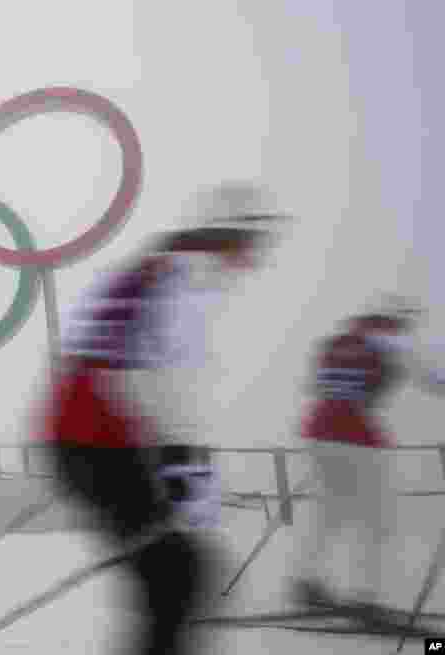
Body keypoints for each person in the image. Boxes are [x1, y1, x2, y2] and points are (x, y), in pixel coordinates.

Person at [37, 182, 288, 655]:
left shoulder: (155, 269)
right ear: (230, 235)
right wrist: (183, 471)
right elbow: (163, 383)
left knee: (176, 576)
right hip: (100, 443)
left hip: (87, 440)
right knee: (179, 577)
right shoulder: (188, 277)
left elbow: (107, 359)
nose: (257, 256)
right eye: (255, 242)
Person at [292, 295, 445, 619]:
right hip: (357, 438)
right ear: (395, 319)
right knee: (377, 521)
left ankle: (306, 581)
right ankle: (366, 598)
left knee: (329, 513)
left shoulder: (334, 342)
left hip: (317, 434)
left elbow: (314, 386)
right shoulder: (391, 340)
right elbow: (433, 378)